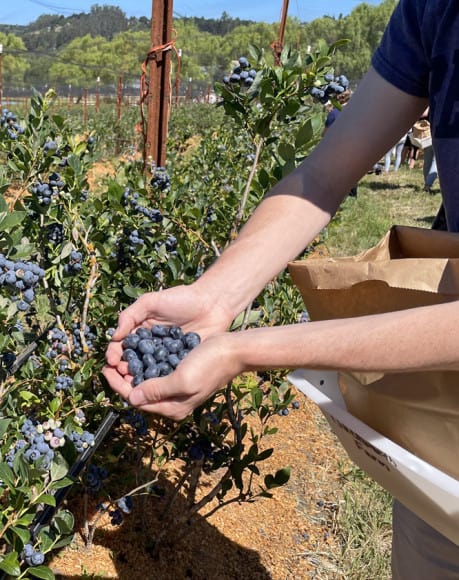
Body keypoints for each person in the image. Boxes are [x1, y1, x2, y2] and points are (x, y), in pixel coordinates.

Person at [103, 1, 459, 578]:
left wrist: (245, 349)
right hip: (444, 434)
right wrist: (215, 298)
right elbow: (323, 175)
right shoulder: (435, 9)